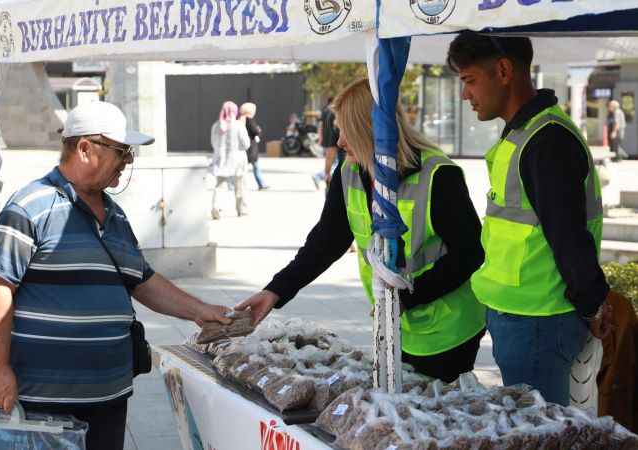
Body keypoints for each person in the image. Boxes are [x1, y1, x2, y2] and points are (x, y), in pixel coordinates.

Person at [0, 101, 232, 450]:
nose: (128, 162)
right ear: (85, 148)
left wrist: (202, 311)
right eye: (122, 151)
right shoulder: (29, 207)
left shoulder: (116, 216)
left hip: (110, 395)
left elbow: (142, 280)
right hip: (44, 401)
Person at [236, 79, 487, 383]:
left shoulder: (438, 174)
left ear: (372, 130)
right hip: (394, 324)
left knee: (433, 414)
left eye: (346, 130)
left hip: (449, 328)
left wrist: (407, 297)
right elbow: (326, 242)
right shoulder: (351, 171)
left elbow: (471, 253)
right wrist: (275, 291)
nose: (340, 142)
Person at [447, 32, 612, 406]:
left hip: (539, 320)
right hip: (523, 317)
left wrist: (593, 304)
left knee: (540, 434)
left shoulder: (546, 140)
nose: (465, 95)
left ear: (503, 70)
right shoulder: (527, 133)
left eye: (470, 81)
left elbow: (568, 236)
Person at [210, 101, 251, 219]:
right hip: (238, 161)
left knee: (220, 186)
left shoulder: (216, 125)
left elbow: (213, 143)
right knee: (241, 186)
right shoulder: (239, 125)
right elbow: (246, 144)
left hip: (222, 161)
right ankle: (242, 210)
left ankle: (216, 208)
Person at [313, 97, 344, 191]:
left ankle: (323, 177)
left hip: (330, 142)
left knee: (332, 160)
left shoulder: (326, 111)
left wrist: (320, 138)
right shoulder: (335, 113)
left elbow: (320, 125)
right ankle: (323, 177)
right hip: (334, 143)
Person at [240, 102, 269, 190]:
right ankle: (261, 183)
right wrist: (259, 130)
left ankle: (240, 184)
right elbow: (255, 131)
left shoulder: (241, 119)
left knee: (242, 168)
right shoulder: (250, 119)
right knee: (256, 166)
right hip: (251, 147)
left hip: (243, 147)